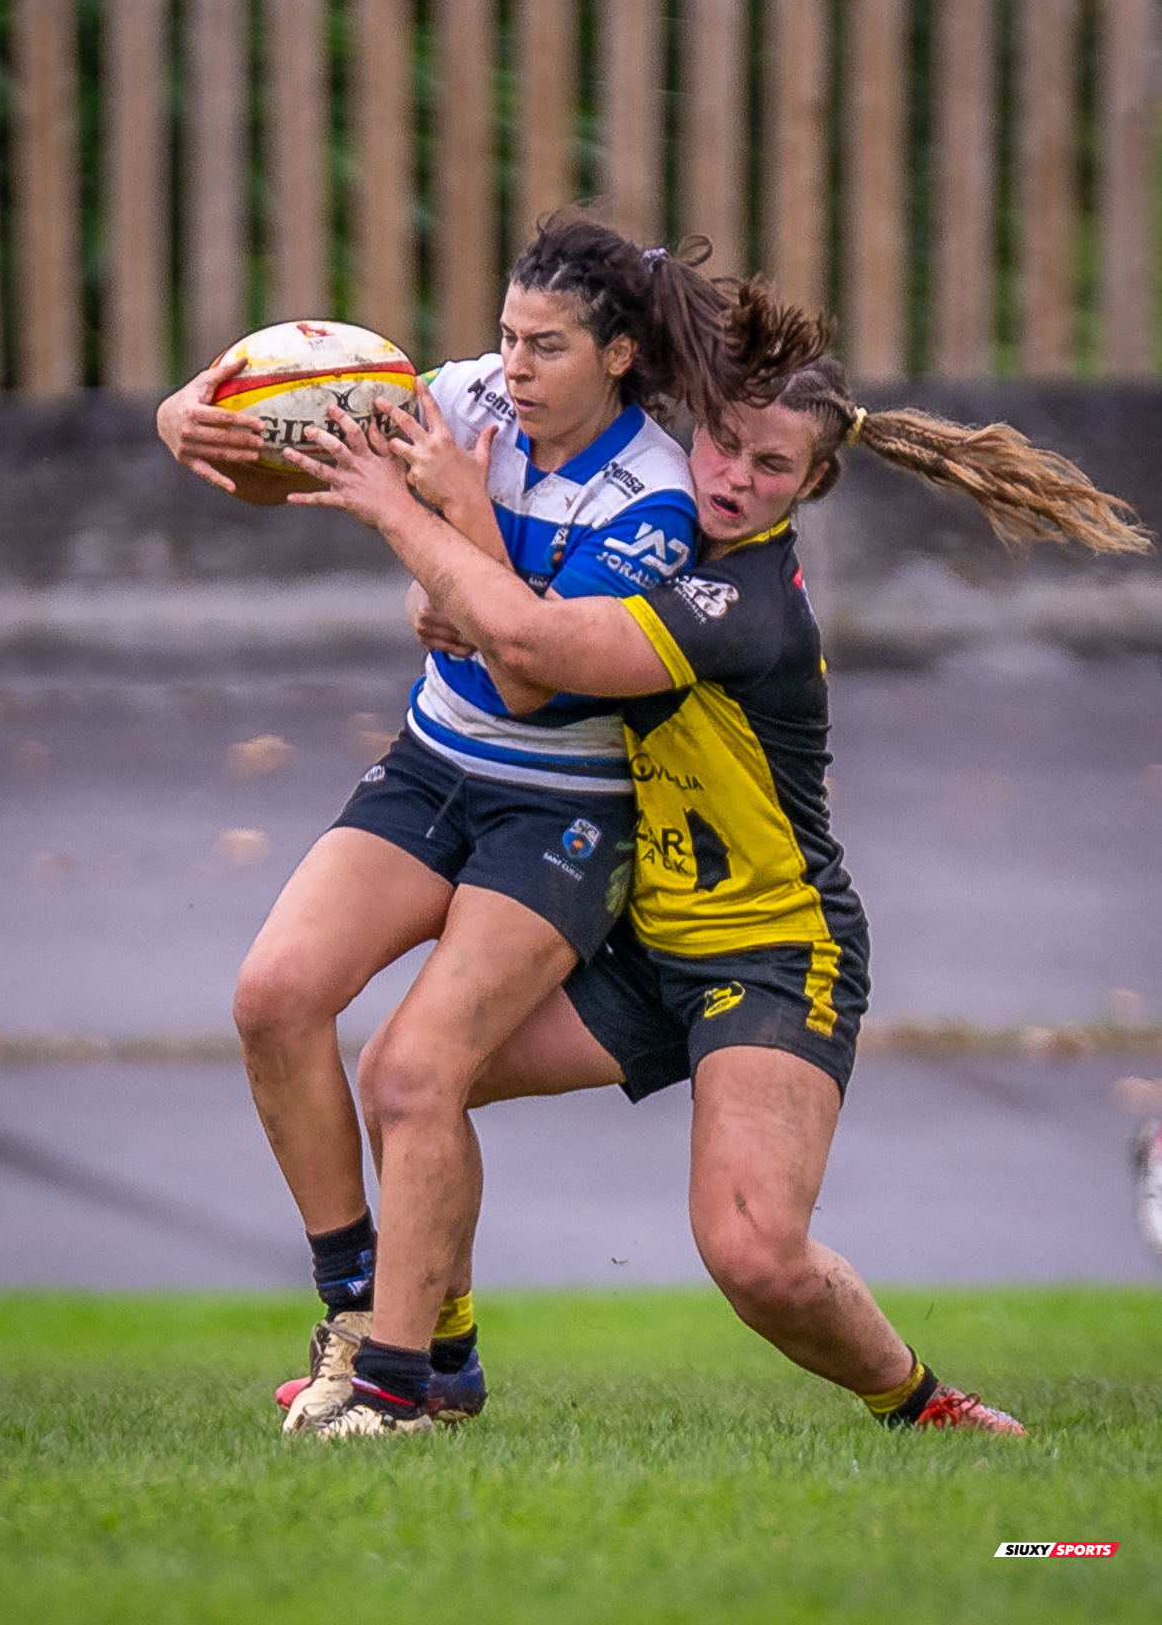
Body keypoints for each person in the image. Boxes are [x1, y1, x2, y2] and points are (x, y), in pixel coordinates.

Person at [280, 339, 1149, 1437]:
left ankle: (924, 1409)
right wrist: (446, 589)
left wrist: (428, 522)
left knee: (753, 1257)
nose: (735, 477)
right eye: (724, 445)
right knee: (410, 1079)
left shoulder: (741, 602)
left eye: (772, 467)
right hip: (649, 946)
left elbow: (525, 640)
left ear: (814, 486)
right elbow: (486, 620)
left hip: (771, 950)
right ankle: (432, 1366)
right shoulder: (652, 530)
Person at [156, 215, 827, 1435]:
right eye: (506, 336)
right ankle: (355, 1306)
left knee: (415, 1073)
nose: (508, 367)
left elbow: (523, 669)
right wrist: (189, 416)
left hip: (564, 810)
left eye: (546, 346)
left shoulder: (659, 500)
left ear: (619, 357)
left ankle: (406, 1392)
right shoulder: (465, 393)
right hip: (433, 761)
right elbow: (289, 439)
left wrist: (447, 521)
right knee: (273, 996)